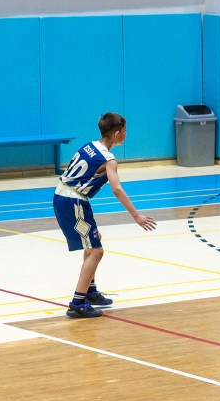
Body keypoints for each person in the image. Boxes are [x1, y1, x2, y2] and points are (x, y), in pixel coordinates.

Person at [52, 112, 156, 319]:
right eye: (124, 130)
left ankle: (89, 291)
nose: (126, 134)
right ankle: (77, 303)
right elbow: (117, 189)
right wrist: (136, 215)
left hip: (63, 195)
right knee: (97, 251)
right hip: (74, 201)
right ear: (117, 134)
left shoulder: (89, 146)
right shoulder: (109, 159)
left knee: (93, 243)